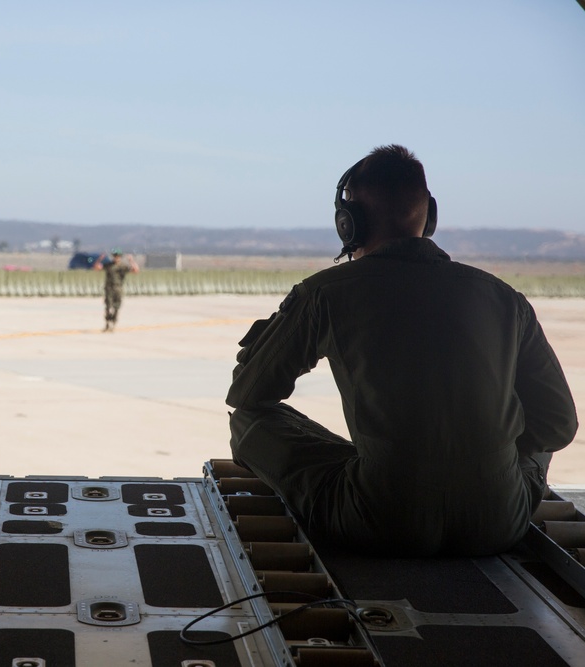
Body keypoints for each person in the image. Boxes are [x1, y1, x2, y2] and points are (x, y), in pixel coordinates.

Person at [226, 145, 578, 557]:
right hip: (500, 522)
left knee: (250, 422)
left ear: (348, 223)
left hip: (376, 521)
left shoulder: (325, 292)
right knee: (533, 444)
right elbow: (558, 425)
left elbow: (248, 395)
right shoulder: (505, 298)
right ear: (428, 216)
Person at [93, 249, 139, 332]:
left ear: (120, 257)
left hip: (118, 288)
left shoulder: (123, 266)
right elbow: (96, 268)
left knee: (116, 307)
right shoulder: (108, 265)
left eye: (118, 256)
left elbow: (135, 270)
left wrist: (131, 260)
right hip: (109, 288)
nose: (116, 258)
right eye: (115, 256)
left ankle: (113, 322)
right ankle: (107, 323)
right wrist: (100, 259)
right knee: (108, 307)